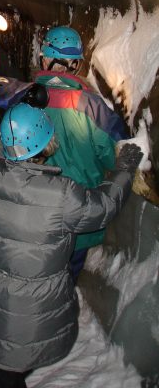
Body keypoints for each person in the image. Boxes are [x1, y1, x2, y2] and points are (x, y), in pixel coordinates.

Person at [0, 103, 142, 388]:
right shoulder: (60, 195)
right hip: (28, 312)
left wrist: (9, 132)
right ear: (45, 145)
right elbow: (105, 206)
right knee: (9, 370)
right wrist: (125, 169)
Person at [34, 25, 129, 281]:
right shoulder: (92, 106)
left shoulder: (26, 99)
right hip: (79, 215)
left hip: (36, 213)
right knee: (67, 277)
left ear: (44, 59)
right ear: (75, 65)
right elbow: (115, 154)